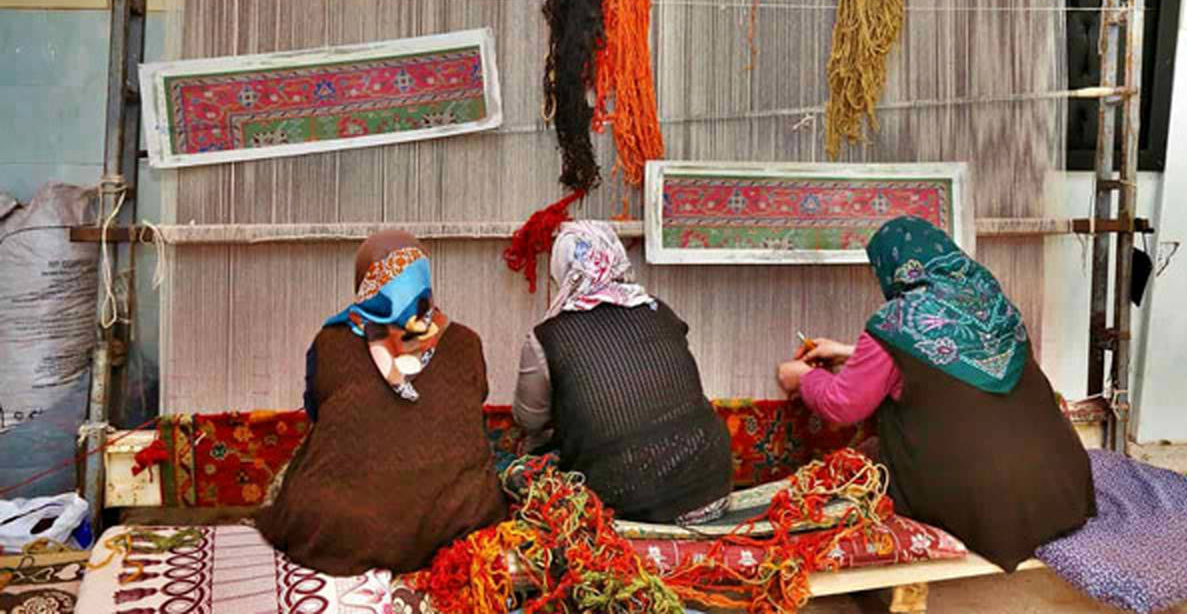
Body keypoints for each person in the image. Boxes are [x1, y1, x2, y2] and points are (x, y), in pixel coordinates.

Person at [776, 216, 1095, 572]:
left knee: (871, 456)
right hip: (1063, 493)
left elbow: (844, 404)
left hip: (989, 512)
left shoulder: (896, 322)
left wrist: (803, 378)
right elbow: (953, 355)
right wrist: (852, 353)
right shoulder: (991, 302)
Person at [255, 231, 506, 575]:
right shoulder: (465, 341)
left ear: (365, 283)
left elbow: (315, 411)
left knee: (297, 475)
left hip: (342, 530)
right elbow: (474, 402)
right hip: (457, 522)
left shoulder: (330, 342)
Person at [513, 220, 732, 524]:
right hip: (713, 485)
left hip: (628, 503)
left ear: (562, 270)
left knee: (530, 459)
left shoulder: (547, 338)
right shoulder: (659, 311)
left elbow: (529, 420)